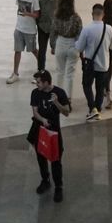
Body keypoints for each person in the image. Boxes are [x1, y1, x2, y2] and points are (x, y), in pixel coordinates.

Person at [28, 70, 71, 202]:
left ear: (47, 82)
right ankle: (45, 180)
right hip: (39, 129)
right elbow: (35, 112)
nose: (37, 84)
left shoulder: (59, 92)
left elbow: (67, 112)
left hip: (54, 131)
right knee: (40, 156)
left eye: (39, 82)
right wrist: (42, 120)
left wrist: (57, 102)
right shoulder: (35, 93)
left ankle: (58, 186)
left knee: (55, 159)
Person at [76, 3, 112, 119]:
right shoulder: (108, 29)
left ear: (92, 14)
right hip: (104, 65)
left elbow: (79, 48)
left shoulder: (87, 29)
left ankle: (92, 108)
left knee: (86, 85)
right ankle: (98, 108)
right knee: (100, 88)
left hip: (90, 64)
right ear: (103, 15)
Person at [49, 0, 83, 98]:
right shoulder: (76, 18)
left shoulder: (56, 17)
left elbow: (53, 33)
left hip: (60, 43)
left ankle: (58, 97)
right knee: (70, 75)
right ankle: (68, 99)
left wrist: (53, 46)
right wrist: (79, 48)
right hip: (73, 44)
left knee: (59, 72)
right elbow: (80, 33)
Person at [8, 0, 40, 84]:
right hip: (19, 28)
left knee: (33, 50)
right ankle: (15, 73)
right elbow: (19, 10)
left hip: (30, 30)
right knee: (17, 50)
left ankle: (41, 69)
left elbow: (37, 15)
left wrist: (27, 13)